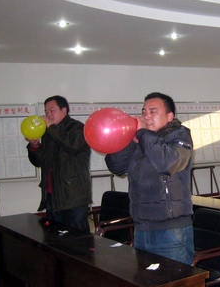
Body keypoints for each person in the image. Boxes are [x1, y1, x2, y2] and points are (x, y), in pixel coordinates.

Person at [105, 92, 194, 264]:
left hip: (171, 229)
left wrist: (143, 133)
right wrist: (130, 140)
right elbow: (116, 166)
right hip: (142, 228)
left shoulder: (180, 136)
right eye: (144, 112)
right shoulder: (142, 139)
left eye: (153, 111)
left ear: (169, 116)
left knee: (174, 280)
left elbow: (169, 162)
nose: (146, 116)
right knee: (147, 279)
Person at [26, 95, 92, 232]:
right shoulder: (49, 132)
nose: (48, 115)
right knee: (55, 234)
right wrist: (35, 146)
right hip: (52, 194)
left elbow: (73, 147)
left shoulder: (78, 128)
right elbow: (40, 161)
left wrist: (51, 128)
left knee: (77, 235)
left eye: (52, 110)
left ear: (64, 110)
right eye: (46, 112)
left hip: (73, 194)